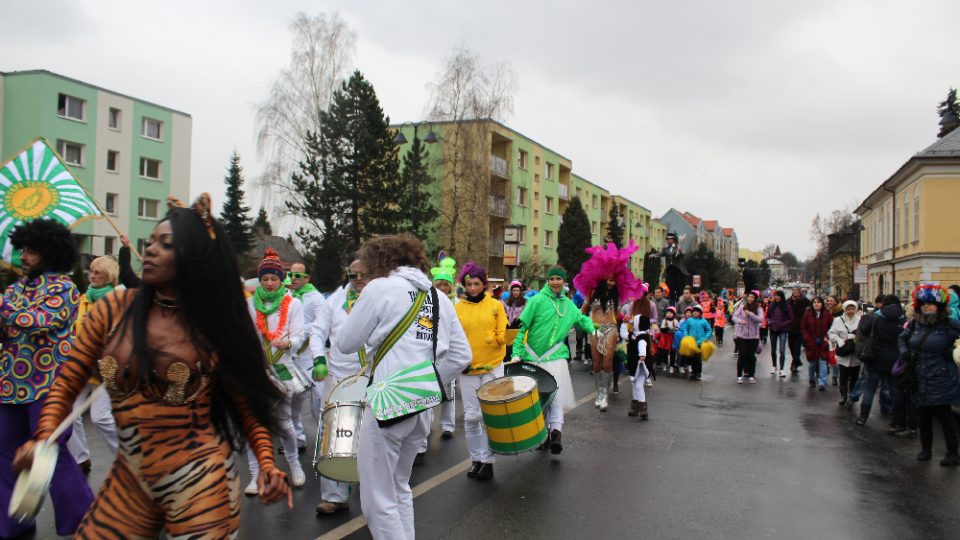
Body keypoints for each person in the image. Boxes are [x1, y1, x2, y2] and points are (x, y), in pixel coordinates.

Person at [15, 196, 292, 538]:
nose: (150, 250)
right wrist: (43, 439)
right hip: (131, 475)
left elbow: (246, 404)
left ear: (194, 257)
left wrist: (266, 461)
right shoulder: (113, 309)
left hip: (199, 478)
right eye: (149, 243)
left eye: (166, 244)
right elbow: (67, 382)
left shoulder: (214, 323)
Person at [335, 234, 471, 540]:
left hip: (387, 400)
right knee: (399, 488)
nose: (365, 272)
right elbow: (462, 355)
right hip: (422, 403)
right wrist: (427, 381)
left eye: (367, 265)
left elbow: (345, 343)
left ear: (382, 262)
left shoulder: (380, 289)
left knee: (377, 500)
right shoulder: (438, 297)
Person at [1, 219, 94, 538]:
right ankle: (13, 522)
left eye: (31, 251)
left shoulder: (65, 289)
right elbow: (8, 328)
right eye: (23, 250)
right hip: (10, 386)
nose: (24, 257)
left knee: (49, 454)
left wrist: (4, 309)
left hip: (49, 387)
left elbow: (37, 322)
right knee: (4, 453)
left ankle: (85, 520)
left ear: (50, 253)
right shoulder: (14, 289)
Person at [310, 260, 371, 515]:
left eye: (363, 274)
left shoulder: (380, 299)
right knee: (334, 433)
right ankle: (334, 497)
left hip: (370, 376)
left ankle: (372, 497)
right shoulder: (333, 301)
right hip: (336, 377)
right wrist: (319, 358)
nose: (358, 278)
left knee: (369, 437)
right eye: (353, 274)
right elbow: (316, 332)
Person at [513, 267, 595, 453]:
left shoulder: (569, 305)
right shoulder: (536, 301)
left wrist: (595, 331)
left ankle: (556, 433)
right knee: (537, 401)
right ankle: (542, 435)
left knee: (555, 398)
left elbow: (583, 321)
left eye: (559, 279)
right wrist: (516, 352)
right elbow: (522, 329)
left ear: (564, 282)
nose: (555, 282)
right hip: (532, 358)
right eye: (552, 279)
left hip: (556, 357)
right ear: (548, 281)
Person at [245, 248, 307, 492]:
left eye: (274, 278)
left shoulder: (293, 304)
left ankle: (294, 465)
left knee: (284, 424)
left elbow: (300, 335)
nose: (270, 283)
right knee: (254, 424)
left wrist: (289, 342)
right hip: (258, 369)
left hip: (283, 367)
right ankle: (255, 475)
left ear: (282, 279)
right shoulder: (252, 304)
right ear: (259, 280)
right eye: (265, 279)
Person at [574, 242, 645, 412]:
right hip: (594, 330)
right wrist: (574, 320)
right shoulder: (592, 294)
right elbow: (581, 311)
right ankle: (599, 393)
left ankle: (605, 395)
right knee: (596, 365)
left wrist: (626, 318)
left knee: (607, 363)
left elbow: (619, 314)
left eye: (614, 280)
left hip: (610, 329)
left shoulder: (616, 296)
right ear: (603, 278)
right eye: (609, 280)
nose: (612, 283)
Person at [67, 256, 120, 475]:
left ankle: (127, 458)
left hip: (105, 368)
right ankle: (81, 458)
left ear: (109, 275)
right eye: (91, 271)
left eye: (98, 272)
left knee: (100, 417)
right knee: (70, 413)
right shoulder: (83, 299)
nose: (92, 275)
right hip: (81, 366)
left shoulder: (117, 301)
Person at [454, 262, 507, 481]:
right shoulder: (457, 308)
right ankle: (475, 458)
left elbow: (504, 333)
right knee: (471, 417)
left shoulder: (495, 305)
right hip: (468, 369)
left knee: (488, 417)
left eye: (477, 284)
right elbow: (452, 338)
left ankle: (488, 461)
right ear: (464, 285)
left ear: (484, 285)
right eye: (469, 284)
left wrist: (497, 338)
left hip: (492, 365)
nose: (473, 288)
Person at [898, 284, 960, 466]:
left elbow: (958, 343)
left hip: (941, 376)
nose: (926, 306)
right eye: (923, 303)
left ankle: (952, 453)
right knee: (923, 415)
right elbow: (902, 338)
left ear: (939, 306)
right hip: (919, 375)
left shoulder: (950, 324)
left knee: (944, 416)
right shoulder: (916, 323)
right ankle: (926, 449)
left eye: (931, 303)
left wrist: (952, 352)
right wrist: (904, 352)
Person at [288, 261, 324, 451]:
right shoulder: (288, 297)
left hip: (309, 355)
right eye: (291, 275)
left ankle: (325, 440)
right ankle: (297, 440)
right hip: (291, 356)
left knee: (318, 399)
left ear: (307, 278)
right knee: (292, 401)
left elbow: (322, 323)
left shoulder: (315, 298)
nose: (293, 278)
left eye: (297, 276)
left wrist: (299, 330)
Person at [854, 295, 903, 426]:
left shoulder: (877, 315)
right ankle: (896, 420)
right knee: (894, 389)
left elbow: (864, 330)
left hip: (875, 355)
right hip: (895, 357)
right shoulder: (903, 317)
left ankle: (863, 418)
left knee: (870, 387)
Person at [429, 256, 459, 442]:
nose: (442, 289)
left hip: (449, 353)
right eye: (438, 285)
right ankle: (428, 422)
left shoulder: (457, 304)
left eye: (445, 285)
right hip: (429, 353)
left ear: (450, 286)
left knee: (449, 391)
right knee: (429, 390)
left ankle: (447, 425)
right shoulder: (427, 302)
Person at [829, 300, 862, 407]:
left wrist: (856, 338)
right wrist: (839, 340)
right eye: (848, 309)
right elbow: (831, 333)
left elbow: (865, 333)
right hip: (843, 352)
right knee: (843, 376)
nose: (850, 311)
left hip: (855, 353)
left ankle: (852, 396)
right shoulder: (838, 320)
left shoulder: (860, 320)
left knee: (854, 377)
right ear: (845, 309)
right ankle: (843, 395)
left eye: (852, 308)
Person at [622, 310, 651, 420]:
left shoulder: (642, 336)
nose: (633, 322)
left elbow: (642, 344)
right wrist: (624, 324)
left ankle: (643, 406)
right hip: (635, 364)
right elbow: (624, 335)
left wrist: (642, 354)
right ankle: (635, 406)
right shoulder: (635, 335)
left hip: (641, 364)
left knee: (638, 385)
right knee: (634, 384)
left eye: (635, 321)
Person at [801, 296, 833, 390]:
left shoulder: (827, 315)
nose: (816, 304)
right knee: (812, 363)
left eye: (818, 302)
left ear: (822, 304)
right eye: (814, 302)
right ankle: (811, 379)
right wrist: (807, 338)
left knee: (823, 362)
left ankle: (822, 382)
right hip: (811, 342)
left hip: (824, 342)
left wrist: (827, 337)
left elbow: (832, 328)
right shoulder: (807, 314)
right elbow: (803, 328)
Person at [648, 232, 688, 304]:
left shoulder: (677, 246)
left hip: (677, 270)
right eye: (667, 239)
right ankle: (671, 301)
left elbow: (679, 254)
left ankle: (679, 300)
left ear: (673, 240)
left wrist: (681, 243)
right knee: (670, 287)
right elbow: (660, 254)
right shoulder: (665, 249)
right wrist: (654, 255)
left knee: (679, 287)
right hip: (670, 270)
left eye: (670, 239)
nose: (668, 240)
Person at [733, 291, 763, 383]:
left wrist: (750, 313)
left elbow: (760, 320)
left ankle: (751, 375)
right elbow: (734, 317)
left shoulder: (758, 309)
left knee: (751, 356)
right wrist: (740, 321)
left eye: (752, 298)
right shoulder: (742, 307)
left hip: (753, 337)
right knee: (742, 355)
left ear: (755, 300)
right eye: (749, 297)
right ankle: (739, 376)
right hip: (742, 336)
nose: (750, 299)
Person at [679, 305, 713, 381]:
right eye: (694, 311)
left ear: (700, 313)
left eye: (697, 311)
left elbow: (709, 330)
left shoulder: (704, 321)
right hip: (691, 343)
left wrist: (705, 338)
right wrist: (687, 336)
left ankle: (698, 373)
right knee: (691, 358)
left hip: (700, 343)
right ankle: (693, 372)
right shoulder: (689, 320)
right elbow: (686, 329)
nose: (695, 312)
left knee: (698, 359)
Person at [766, 290, 794, 377]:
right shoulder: (771, 306)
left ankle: (782, 369)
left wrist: (783, 324)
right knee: (773, 350)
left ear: (782, 296)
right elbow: (767, 316)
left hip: (783, 330)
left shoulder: (787, 306)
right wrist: (769, 322)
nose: (777, 297)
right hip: (773, 330)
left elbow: (791, 318)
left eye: (778, 296)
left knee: (782, 350)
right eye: (775, 296)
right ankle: (774, 366)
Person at [656, 307, 680, 373]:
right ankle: (665, 363)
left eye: (670, 313)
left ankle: (672, 366)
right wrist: (665, 328)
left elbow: (678, 328)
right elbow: (662, 329)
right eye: (667, 313)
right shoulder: (664, 320)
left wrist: (674, 329)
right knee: (665, 352)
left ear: (673, 314)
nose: (669, 314)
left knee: (673, 352)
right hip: (665, 338)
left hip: (672, 337)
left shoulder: (675, 321)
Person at [825, 295, 842, 386]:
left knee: (835, 358)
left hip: (836, 337)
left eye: (831, 301)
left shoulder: (841, 311)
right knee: (825, 356)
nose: (829, 302)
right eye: (828, 301)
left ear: (836, 301)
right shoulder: (825, 311)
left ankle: (835, 376)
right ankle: (825, 369)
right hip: (826, 336)